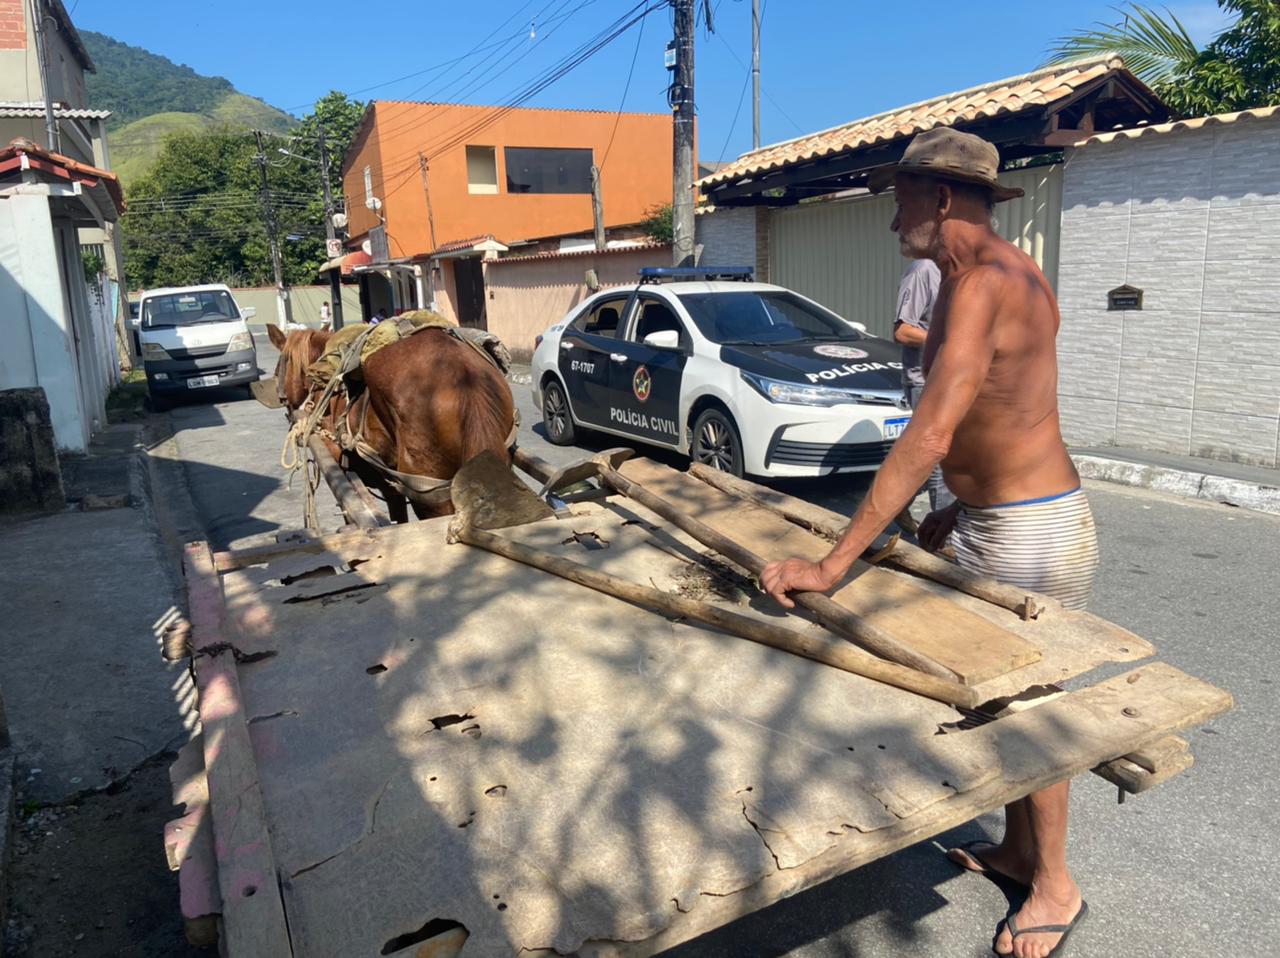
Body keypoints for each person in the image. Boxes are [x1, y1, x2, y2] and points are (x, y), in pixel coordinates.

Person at [761, 127, 1096, 958]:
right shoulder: (978, 278)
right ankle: (1021, 852)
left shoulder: (983, 284)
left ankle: (1054, 884)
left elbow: (931, 435)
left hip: (1031, 532)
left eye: (900, 200)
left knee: (1029, 709)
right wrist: (956, 509)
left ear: (941, 199)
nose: (890, 221)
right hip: (998, 517)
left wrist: (832, 563)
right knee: (995, 697)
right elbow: (1000, 412)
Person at [893, 257, 954, 514]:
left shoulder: (959, 274)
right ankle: (945, 542)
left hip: (951, 379)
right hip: (924, 381)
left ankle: (893, 506)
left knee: (938, 455)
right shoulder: (923, 271)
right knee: (940, 457)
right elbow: (902, 331)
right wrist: (949, 340)